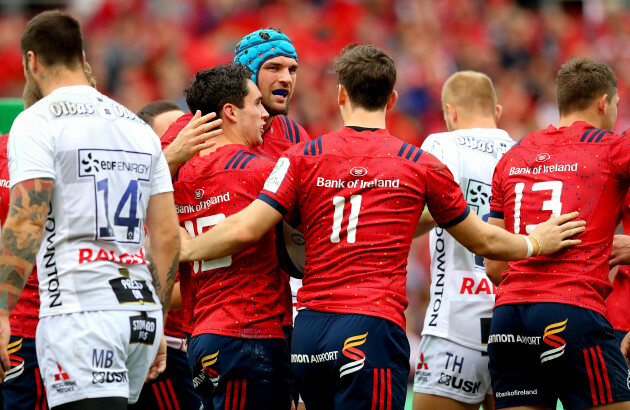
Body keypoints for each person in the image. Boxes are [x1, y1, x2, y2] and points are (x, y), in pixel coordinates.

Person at [178, 43, 584, 410]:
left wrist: (188, 247)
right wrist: (534, 241)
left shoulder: (302, 157)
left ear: (340, 95)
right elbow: (484, 239)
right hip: (370, 327)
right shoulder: (419, 163)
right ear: (391, 99)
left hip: (309, 333)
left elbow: (247, 227)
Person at [0, 11, 180, 410]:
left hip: (80, 315)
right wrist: (158, 317)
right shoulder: (136, 126)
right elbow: (167, 236)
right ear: (83, 56)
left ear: (31, 61)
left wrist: (0, 310)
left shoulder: (36, 121)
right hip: (140, 316)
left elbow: (27, 220)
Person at [486, 57, 630, 409]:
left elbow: (493, 266)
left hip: (507, 319)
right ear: (603, 102)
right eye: (616, 104)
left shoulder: (512, 156)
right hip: (571, 310)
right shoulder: (613, 148)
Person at [176, 64, 291, 410]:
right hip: (250, 333)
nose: (264, 112)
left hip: (201, 338)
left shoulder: (179, 180)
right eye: (257, 104)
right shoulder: (264, 172)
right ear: (230, 112)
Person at [413, 71, 514, 410]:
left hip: (456, 322)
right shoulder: (522, 152)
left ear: (450, 112)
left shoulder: (442, 144)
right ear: (497, 111)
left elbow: (414, 218)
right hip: (512, 318)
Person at [131, 100, 201, 410]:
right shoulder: (133, 202)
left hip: (194, 344)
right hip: (163, 348)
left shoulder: (202, 189)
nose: (187, 144)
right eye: (171, 138)